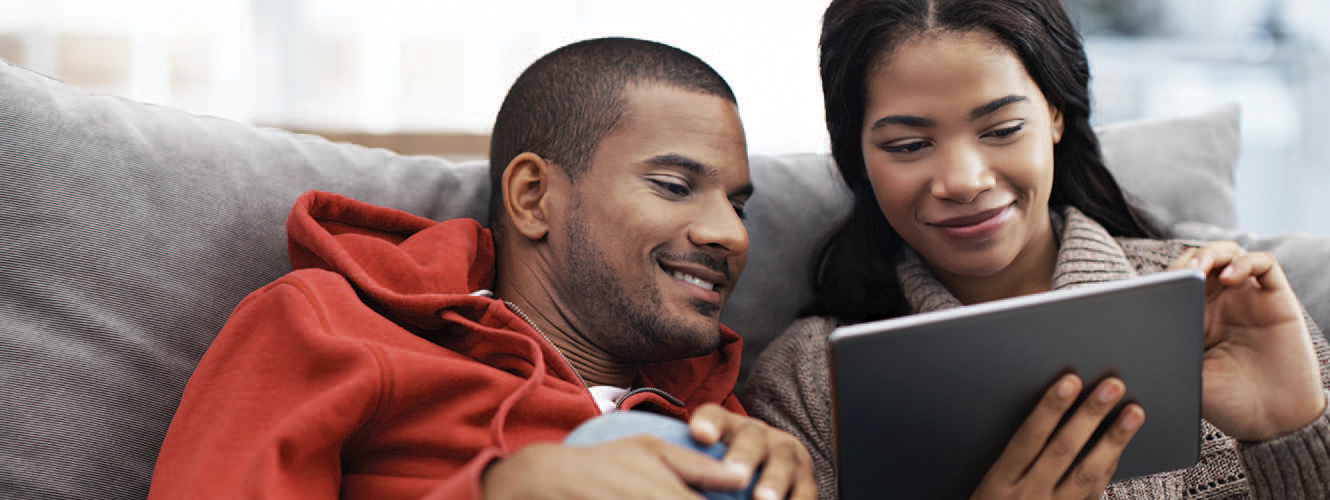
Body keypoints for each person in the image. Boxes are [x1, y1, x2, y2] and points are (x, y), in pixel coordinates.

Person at [148, 37, 815, 500]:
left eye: (738, 205)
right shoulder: (330, 325)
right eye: (674, 185)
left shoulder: (718, 405)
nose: (729, 234)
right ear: (533, 197)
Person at [742, 0, 1330, 499]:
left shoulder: (1227, 312)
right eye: (909, 144)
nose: (964, 180)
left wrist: (1296, 438)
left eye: (1001, 130)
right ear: (858, 161)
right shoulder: (809, 385)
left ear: (1055, 114)